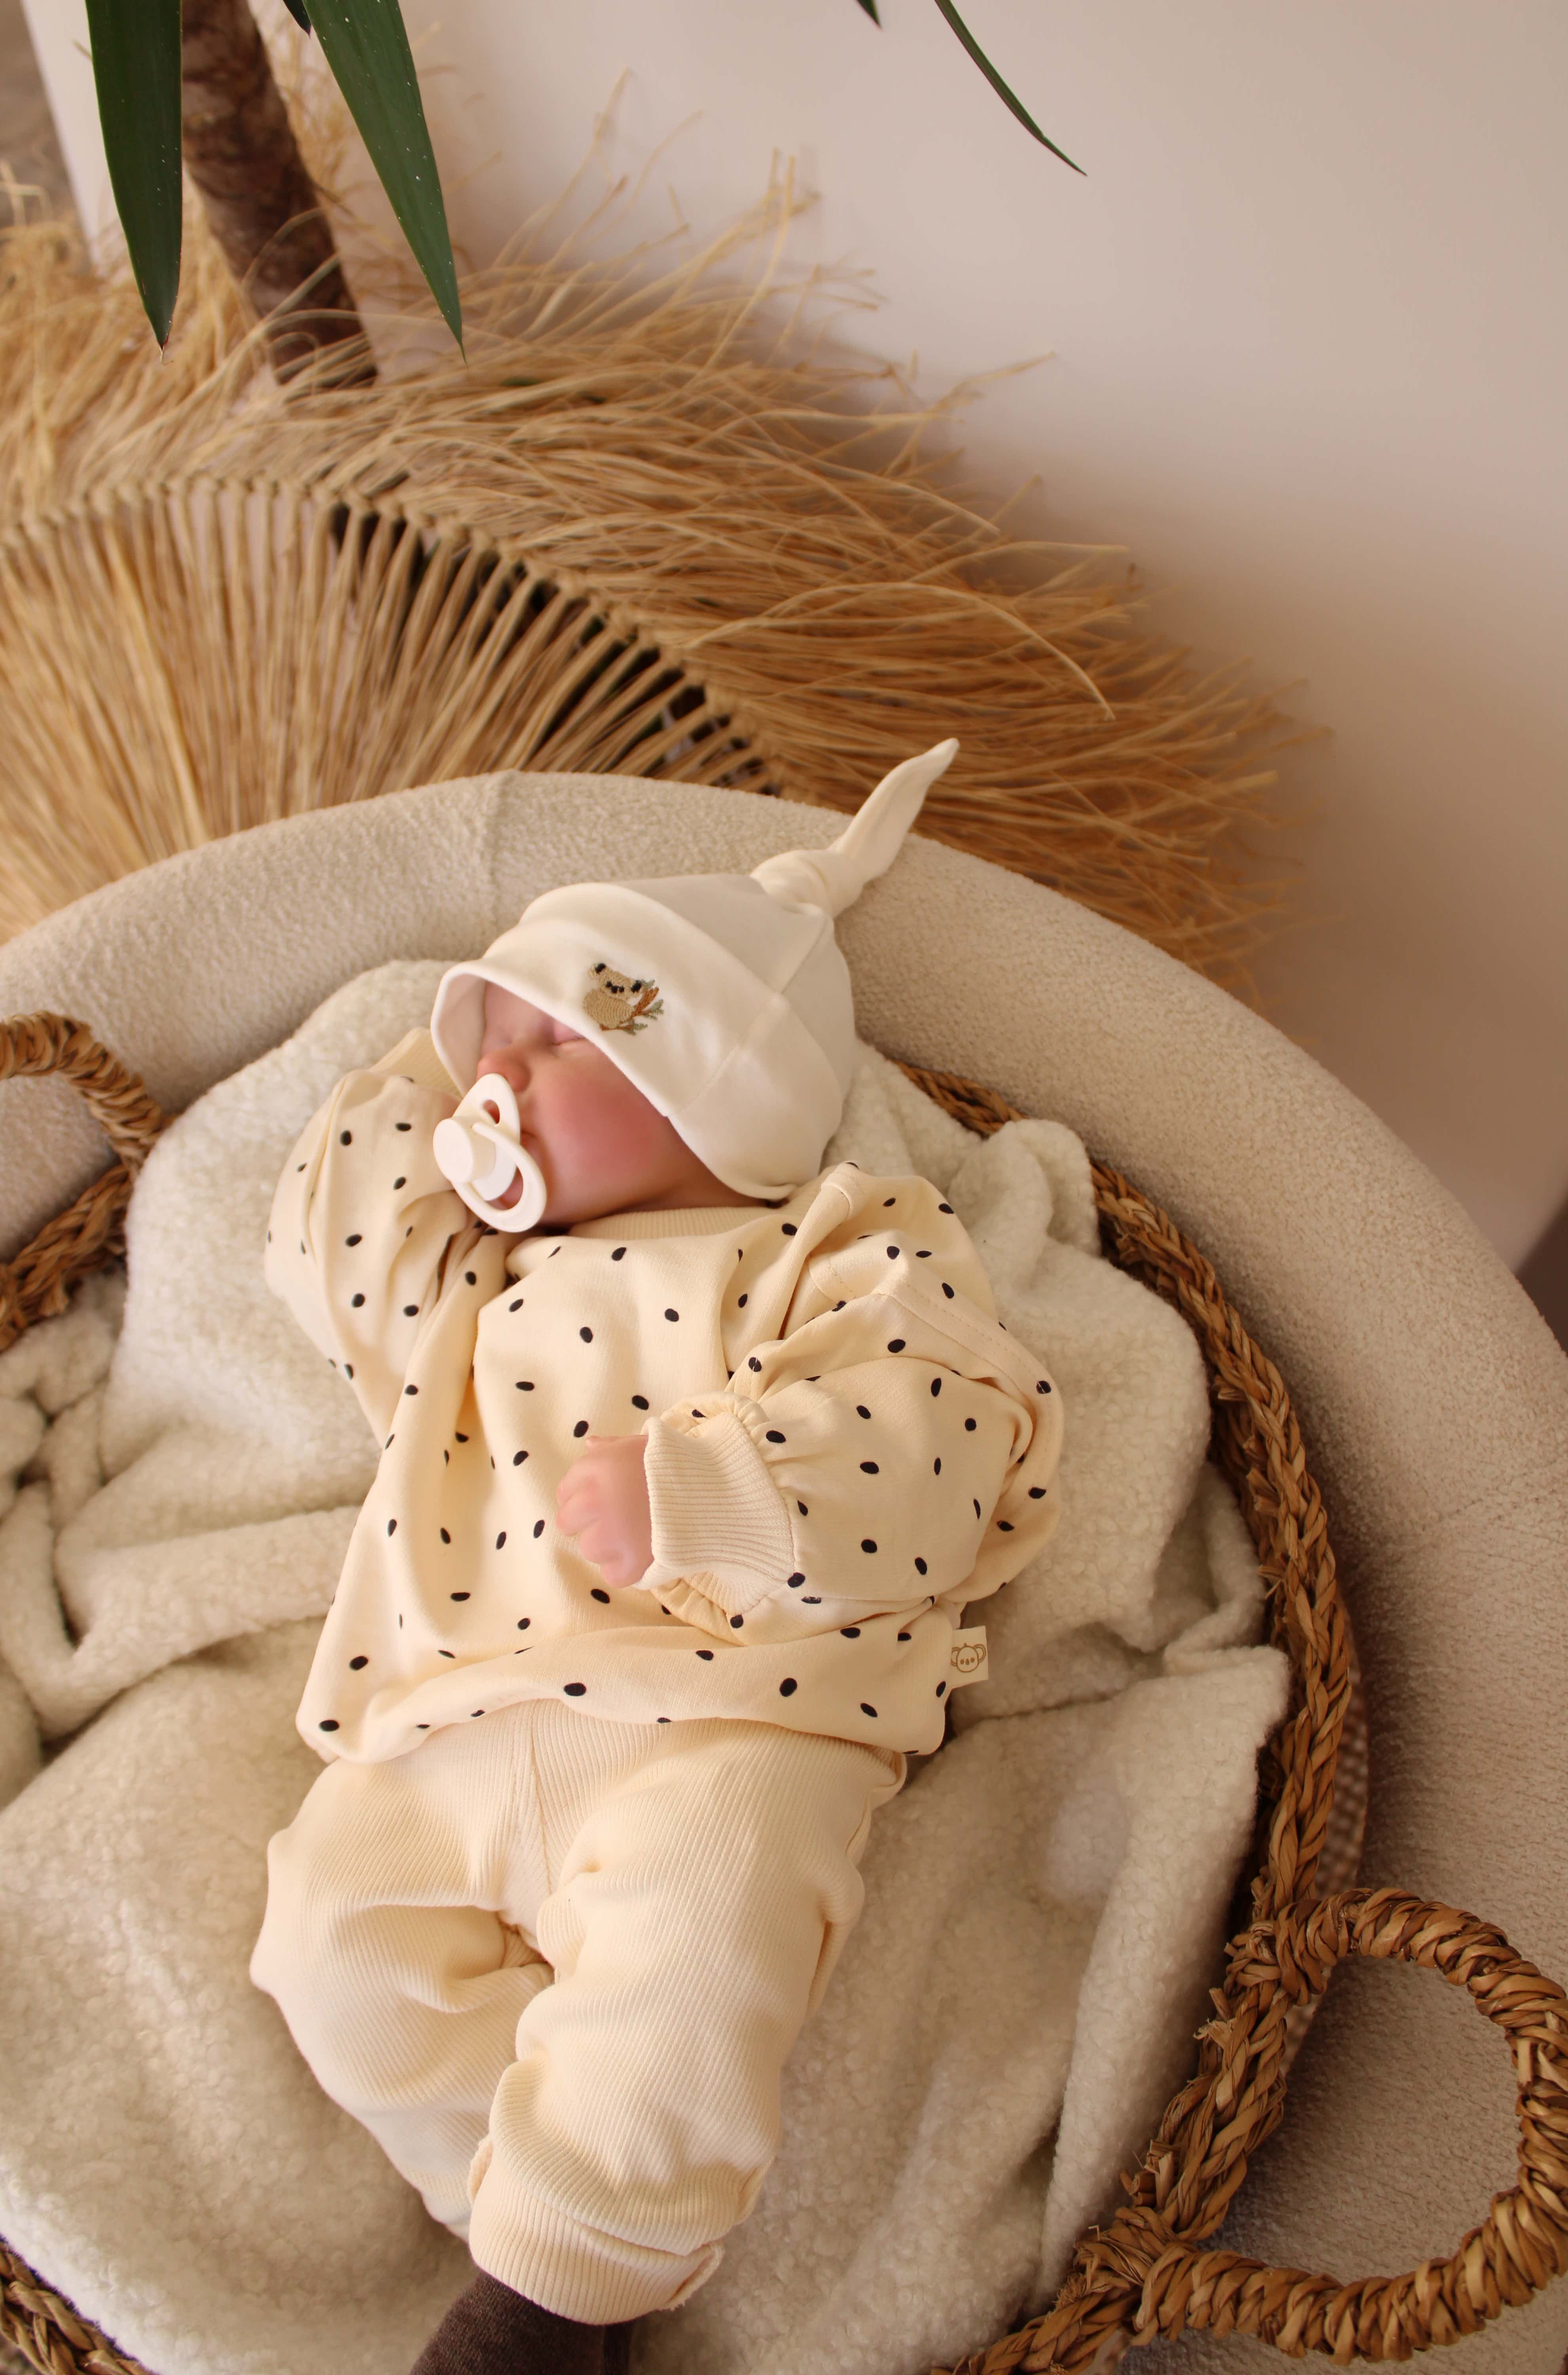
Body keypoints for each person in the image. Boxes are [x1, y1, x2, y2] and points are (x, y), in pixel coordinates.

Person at [249, 741, 1063, 2375]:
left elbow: (948, 1433)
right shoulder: (474, 1290)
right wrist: (435, 1087)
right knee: (326, 1945)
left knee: (709, 1920)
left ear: (701, 1090)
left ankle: (553, 2302)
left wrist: (709, 1491)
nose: (503, 1073)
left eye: (558, 1041)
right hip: (453, 1717)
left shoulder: (835, 1244)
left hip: (729, 1716)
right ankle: (540, 2234)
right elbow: (326, 1247)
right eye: (503, 1043)